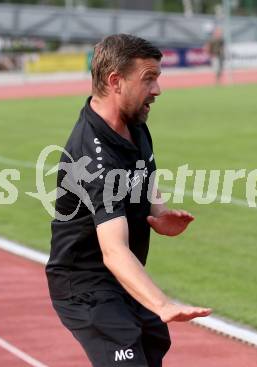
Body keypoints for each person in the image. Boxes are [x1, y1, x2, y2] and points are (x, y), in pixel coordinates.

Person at [46, 34, 212, 367]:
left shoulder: (134, 124)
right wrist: (162, 304)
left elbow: (146, 178)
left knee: (152, 344)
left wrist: (160, 213)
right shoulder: (92, 157)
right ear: (115, 81)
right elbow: (113, 250)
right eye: (148, 79)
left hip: (120, 279)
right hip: (85, 285)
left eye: (158, 78)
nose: (157, 90)